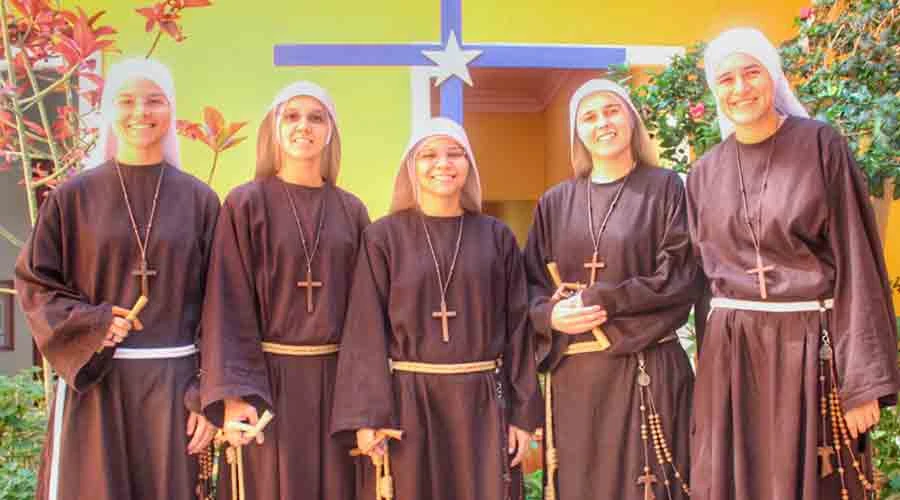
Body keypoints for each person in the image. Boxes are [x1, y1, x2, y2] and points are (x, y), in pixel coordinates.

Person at [686, 27, 900, 500]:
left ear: (774, 78)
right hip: (732, 355)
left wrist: (862, 382)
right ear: (714, 90)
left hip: (809, 346)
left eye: (752, 73)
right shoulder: (705, 172)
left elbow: (858, 262)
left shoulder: (821, 146)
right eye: (726, 79)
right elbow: (699, 283)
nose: (740, 88)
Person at [15, 57, 219, 500]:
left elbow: (222, 304)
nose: (140, 112)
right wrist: (93, 323)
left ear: (171, 109)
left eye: (154, 100)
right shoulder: (72, 197)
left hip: (174, 390)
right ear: (110, 109)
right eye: (126, 101)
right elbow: (35, 284)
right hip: (97, 385)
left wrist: (209, 394)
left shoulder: (200, 201)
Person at [331, 117, 543, 500]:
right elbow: (365, 331)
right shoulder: (382, 237)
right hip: (409, 404)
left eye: (454, 154)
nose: (443, 163)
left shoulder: (497, 236)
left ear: (469, 165)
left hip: (483, 402)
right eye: (429, 155)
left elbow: (518, 330)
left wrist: (523, 414)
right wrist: (368, 417)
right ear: (411, 167)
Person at [524, 79, 698, 500]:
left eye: (611, 110)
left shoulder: (666, 187)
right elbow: (527, 285)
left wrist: (605, 299)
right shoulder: (555, 202)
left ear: (631, 120)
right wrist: (550, 315)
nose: (602, 123)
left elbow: (680, 275)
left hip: (646, 366)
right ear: (577, 132)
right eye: (589, 116)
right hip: (577, 381)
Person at [199, 81, 368, 500]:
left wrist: (366, 402)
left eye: (316, 118)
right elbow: (226, 305)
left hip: (336, 386)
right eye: (291, 116)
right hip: (265, 385)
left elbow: (366, 315)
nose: (303, 126)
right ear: (273, 128)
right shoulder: (245, 204)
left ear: (331, 131)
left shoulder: (352, 211)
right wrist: (234, 395)